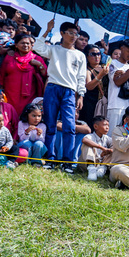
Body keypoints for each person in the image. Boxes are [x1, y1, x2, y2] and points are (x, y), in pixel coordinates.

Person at [34, 19, 87, 174]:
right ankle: (50, 159)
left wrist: (81, 95)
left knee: (69, 126)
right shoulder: (55, 49)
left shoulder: (80, 55)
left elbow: (81, 77)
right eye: (70, 33)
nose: (73, 36)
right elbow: (38, 47)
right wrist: (47, 29)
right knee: (50, 124)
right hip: (52, 88)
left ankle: (67, 161)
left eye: (75, 33)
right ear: (62, 33)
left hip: (70, 92)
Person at [0, 34, 47, 116]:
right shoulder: (9, 57)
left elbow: (45, 74)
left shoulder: (37, 58)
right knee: (9, 116)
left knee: (26, 117)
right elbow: (1, 75)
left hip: (30, 95)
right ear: (16, 45)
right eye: (22, 43)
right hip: (10, 94)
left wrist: (39, 64)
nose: (25, 45)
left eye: (28, 43)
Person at [107, 40, 129, 135]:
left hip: (128, 107)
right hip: (115, 105)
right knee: (112, 135)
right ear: (122, 48)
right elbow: (117, 82)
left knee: (125, 137)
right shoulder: (113, 63)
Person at [81, 44, 109, 128]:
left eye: (98, 54)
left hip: (106, 103)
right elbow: (89, 86)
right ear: (87, 56)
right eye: (93, 54)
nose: (97, 56)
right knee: (92, 126)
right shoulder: (87, 70)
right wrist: (100, 75)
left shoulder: (105, 67)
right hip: (91, 103)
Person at [80, 116, 113, 181]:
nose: (107, 127)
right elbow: (84, 140)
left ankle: (103, 168)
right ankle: (91, 169)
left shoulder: (107, 138)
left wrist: (108, 151)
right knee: (87, 146)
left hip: (100, 163)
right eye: (104, 125)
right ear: (95, 127)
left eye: (108, 125)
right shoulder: (90, 136)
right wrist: (101, 148)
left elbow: (115, 146)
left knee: (114, 149)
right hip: (86, 164)